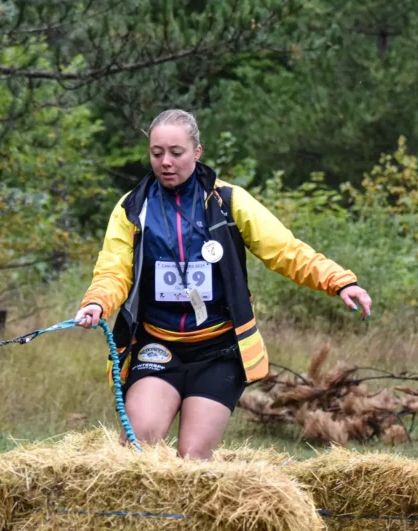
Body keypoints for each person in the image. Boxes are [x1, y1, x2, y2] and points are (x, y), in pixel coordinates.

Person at [73, 109, 372, 459]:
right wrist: (97, 303)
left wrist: (340, 282)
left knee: (193, 458)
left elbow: (286, 251)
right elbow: (114, 271)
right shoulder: (132, 208)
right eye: (157, 154)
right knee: (138, 448)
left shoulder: (229, 201)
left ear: (197, 152)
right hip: (156, 346)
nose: (165, 162)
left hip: (219, 350)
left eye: (176, 153)